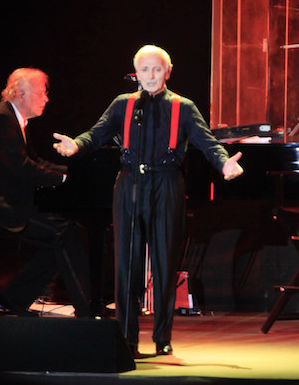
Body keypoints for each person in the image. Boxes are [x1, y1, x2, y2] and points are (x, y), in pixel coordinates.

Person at [53, 45, 243, 357]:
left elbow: (206, 142)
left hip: (166, 183)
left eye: (157, 69)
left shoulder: (183, 106)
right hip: (129, 183)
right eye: (145, 70)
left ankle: (161, 336)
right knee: (126, 263)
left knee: (165, 262)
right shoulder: (123, 104)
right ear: (136, 73)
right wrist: (76, 145)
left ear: (168, 72)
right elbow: (96, 134)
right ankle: (126, 337)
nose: (151, 76)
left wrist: (224, 163)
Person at [0, 68, 92, 318]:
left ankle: (11, 299)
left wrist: (72, 173)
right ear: (21, 94)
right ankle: (85, 310)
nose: (46, 99)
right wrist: (65, 178)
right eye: (42, 93)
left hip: (10, 203)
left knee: (65, 237)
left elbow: (34, 161)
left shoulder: (15, 120)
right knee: (66, 233)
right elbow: (21, 167)